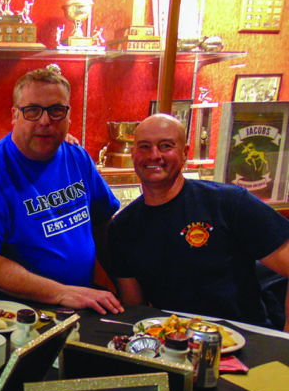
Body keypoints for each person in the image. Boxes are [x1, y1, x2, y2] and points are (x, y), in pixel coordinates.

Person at [0, 68, 124, 315]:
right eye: (32, 110)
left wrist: (126, 289)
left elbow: (103, 223)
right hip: (17, 317)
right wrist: (62, 292)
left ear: (68, 116)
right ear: (14, 115)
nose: (45, 121)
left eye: (56, 110)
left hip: (80, 304)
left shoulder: (78, 158)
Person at [108, 114, 289, 331]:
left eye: (166, 146)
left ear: (184, 153)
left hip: (245, 337)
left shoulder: (229, 202)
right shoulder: (123, 227)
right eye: (144, 146)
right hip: (175, 340)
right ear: (133, 153)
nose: (154, 155)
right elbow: (136, 309)